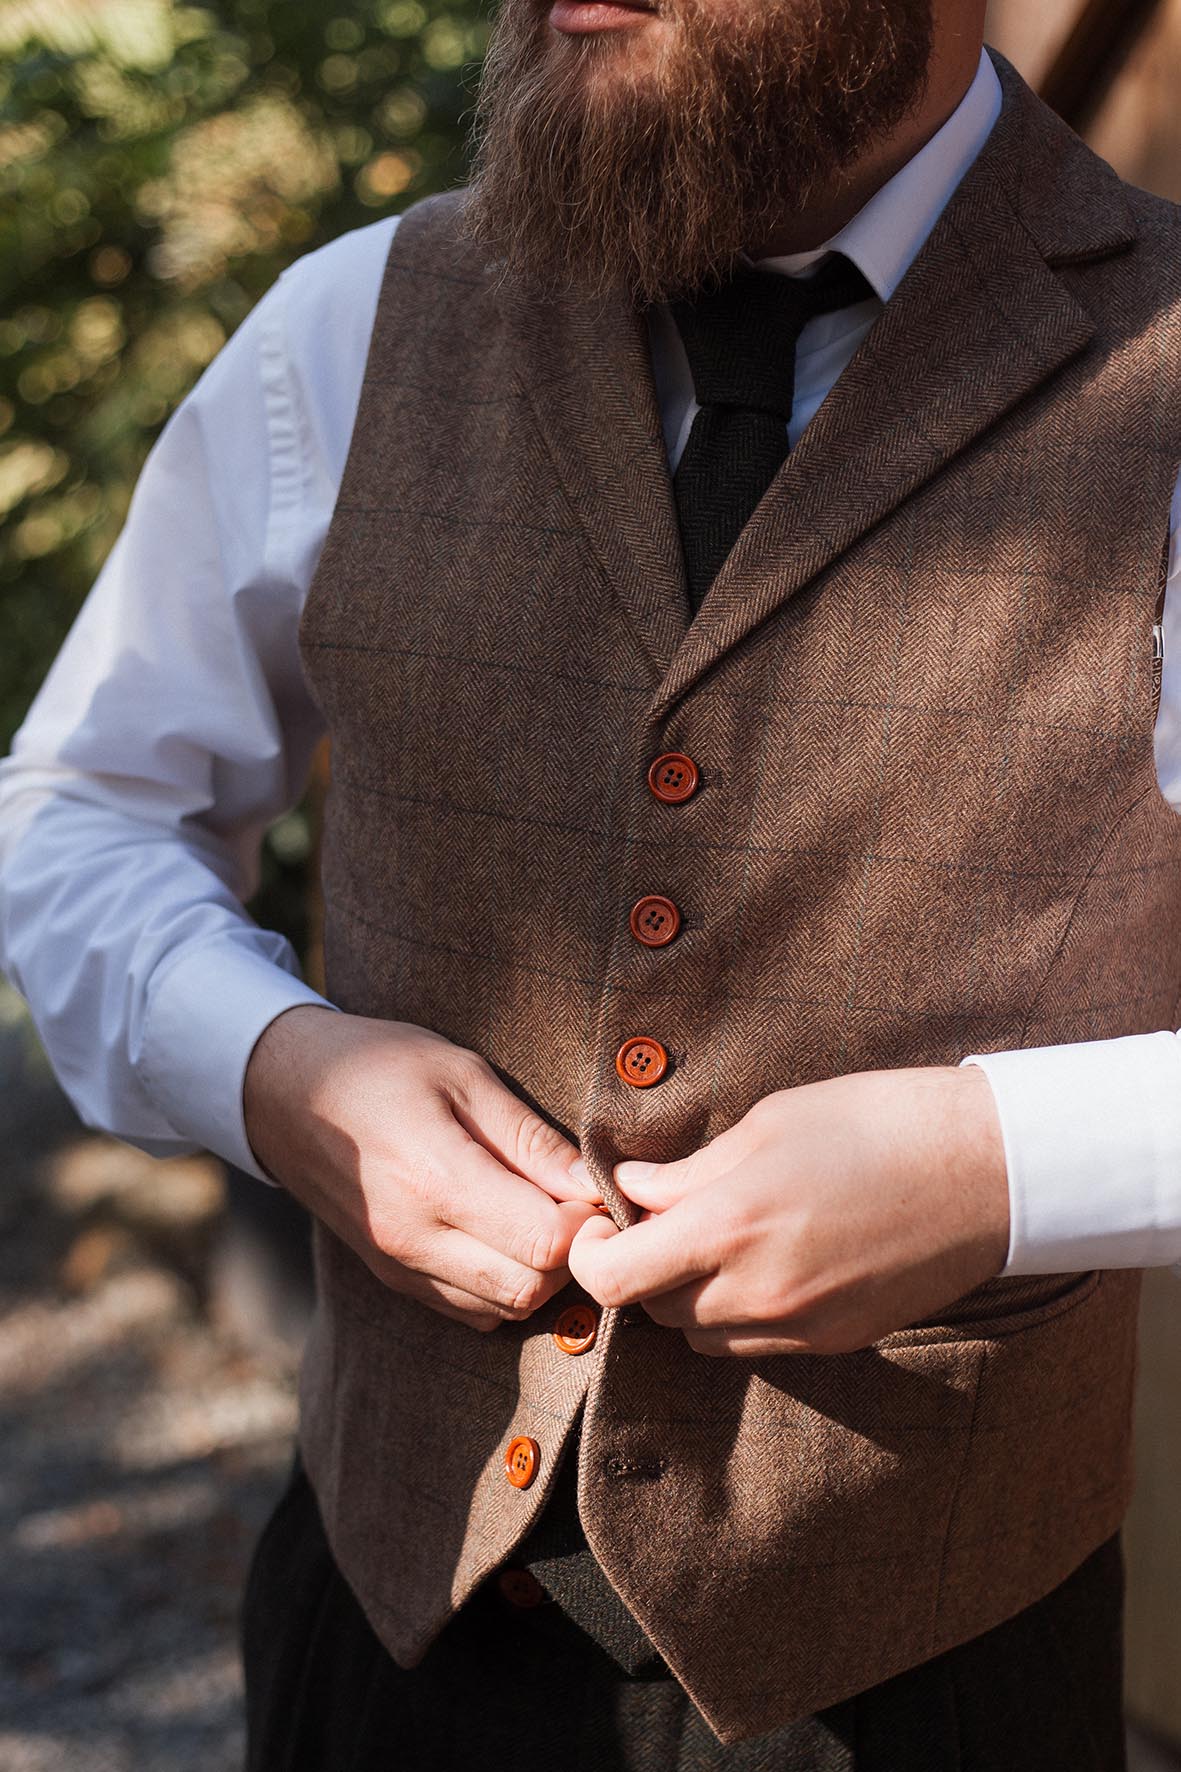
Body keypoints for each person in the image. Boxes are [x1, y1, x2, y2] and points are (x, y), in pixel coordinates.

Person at [2, 0, 1180, 1765]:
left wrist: (994, 1166)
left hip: (925, 1674)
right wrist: (273, 1072)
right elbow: (84, 812)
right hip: (380, 1628)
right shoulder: (353, 319)